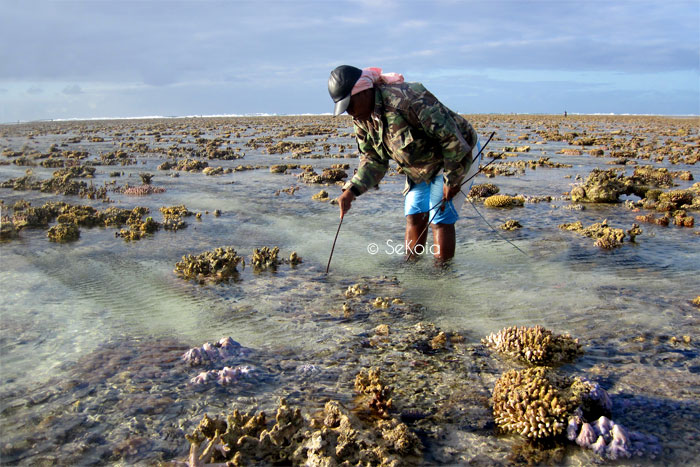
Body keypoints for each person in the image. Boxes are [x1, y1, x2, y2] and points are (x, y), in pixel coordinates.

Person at [327, 65, 479, 261]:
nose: (349, 112)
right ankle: (412, 269)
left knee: (439, 217)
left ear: (365, 91)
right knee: (414, 215)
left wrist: (452, 179)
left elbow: (452, 139)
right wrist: (351, 190)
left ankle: (442, 278)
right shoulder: (362, 119)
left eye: (349, 104)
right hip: (420, 167)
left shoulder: (408, 100)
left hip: (457, 154)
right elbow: (373, 160)